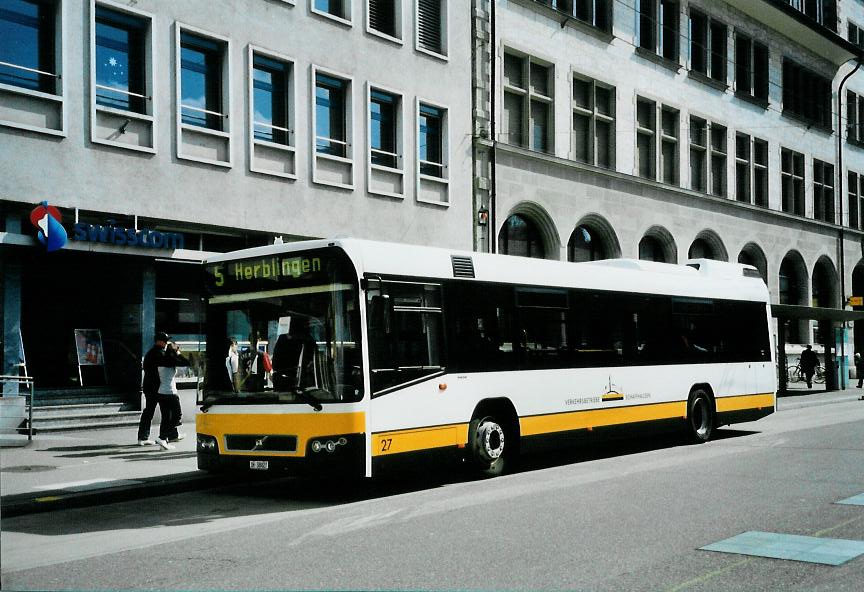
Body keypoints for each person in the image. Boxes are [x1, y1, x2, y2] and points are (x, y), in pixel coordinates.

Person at [137, 331, 174, 446]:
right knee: (167, 412)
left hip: (149, 386)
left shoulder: (150, 353)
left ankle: (143, 437)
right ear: (160, 341)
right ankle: (165, 436)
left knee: (149, 411)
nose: (166, 343)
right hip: (159, 387)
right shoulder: (160, 353)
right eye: (165, 341)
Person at [155, 339, 190, 450]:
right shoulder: (170, 360)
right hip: (170, 392)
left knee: (166, 417)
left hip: (161, 392)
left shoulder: (162, 358)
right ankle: (164, 436)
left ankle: (164, 441)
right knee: (177, 416)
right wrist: (178, 353)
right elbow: (186, 362)